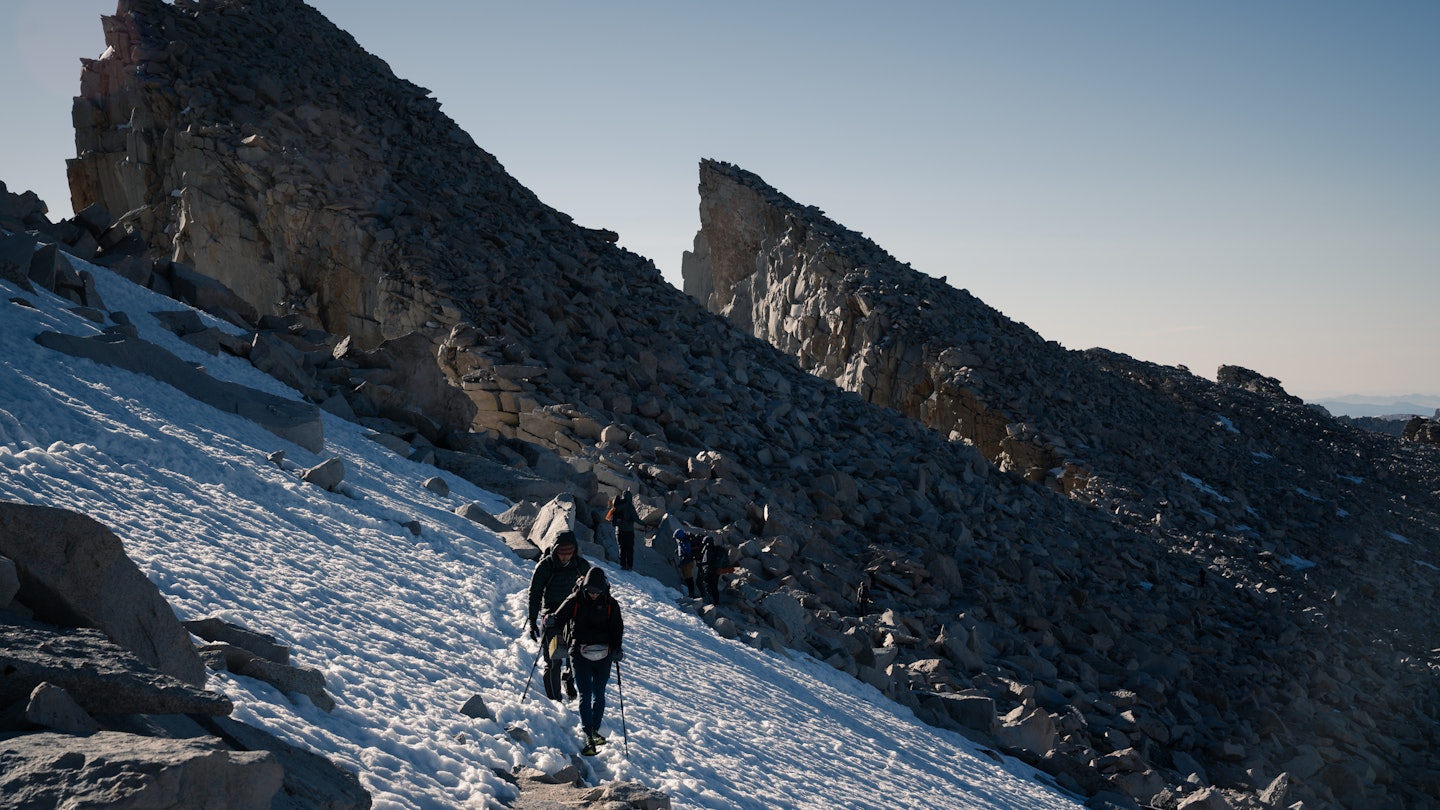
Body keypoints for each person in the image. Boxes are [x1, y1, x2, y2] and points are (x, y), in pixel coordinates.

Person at [552, 567, 624, 755]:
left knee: (598, 694)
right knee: (586, 693)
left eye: (597, 591)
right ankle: (588, 734)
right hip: (580, 651)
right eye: (590, 591)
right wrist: (551, 620)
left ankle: (594, 731)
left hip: (603, 654)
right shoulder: (575, 599)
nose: (593, 595)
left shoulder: (610, 604)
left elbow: (617, 628)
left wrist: (617, 648)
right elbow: (559, 617)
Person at [526, 531, 590, 702]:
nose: (565, 557)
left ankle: (568, 679)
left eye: (569, 553)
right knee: (553, 659)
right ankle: (554, 701)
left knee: (575, 656)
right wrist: (532, 619)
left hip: (575, 615)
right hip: (552, 616)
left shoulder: (581, 565)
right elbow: (535, 593)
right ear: (555, 550)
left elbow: (592, 590)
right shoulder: (545, 566)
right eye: (562, 553)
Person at [608, 491, 638, 571]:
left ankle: (623, 565)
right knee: (630, 549)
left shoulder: (617, 505)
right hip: (629, 531)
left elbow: (609, 518)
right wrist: (644, 524)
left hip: (619, 531)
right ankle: (630, 566)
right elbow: (636, 518)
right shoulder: (630, 506)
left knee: (622, 548)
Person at [696, 536, 729, 606]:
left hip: (710, 570)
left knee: (708, 585)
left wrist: (700, 564)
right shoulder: (716, 549)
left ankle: (710, 601)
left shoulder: (709, 550)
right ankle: (716, 601)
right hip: (717, 570)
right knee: (714, 586)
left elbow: (708, 562)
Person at [673, 529, 698, 598]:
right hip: (686, 562)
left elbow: (687, 552)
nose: (677, 539)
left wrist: (682, 556)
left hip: (687, 563)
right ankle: (691, 593)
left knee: (689, 579)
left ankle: (692, 594)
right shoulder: (683, 541)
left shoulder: (686, 541)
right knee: (688, 578)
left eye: (677, 537)